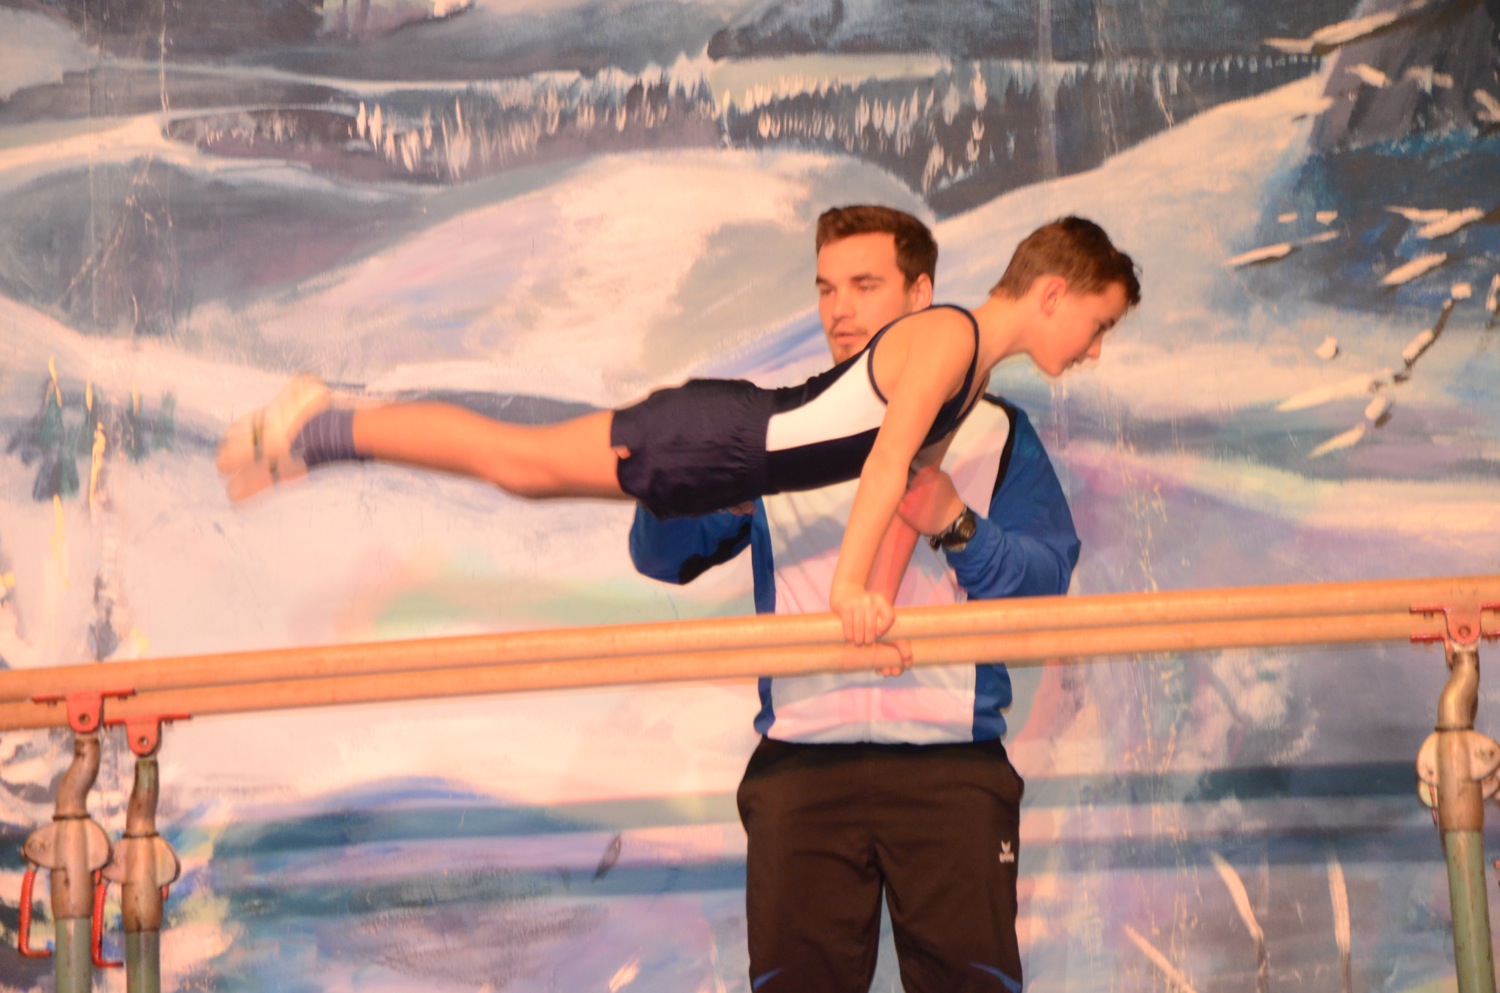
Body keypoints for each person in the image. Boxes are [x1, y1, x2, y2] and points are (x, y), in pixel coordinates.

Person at [217, 215, 1137, 644]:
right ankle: (325, 424)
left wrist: (873, 621)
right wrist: (847, 588)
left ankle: (320, 433)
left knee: (521, 465)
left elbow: (904, 495)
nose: (1094, 348)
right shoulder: (947, 336)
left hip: (731, 446)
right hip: (719, 438)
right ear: (1055, 293)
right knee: (518, 463)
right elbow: (886, 463)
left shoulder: (971, 372)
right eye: (1097, 324)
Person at [629, 206, 1125, 992]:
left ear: (922, 295)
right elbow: (658, 556)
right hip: (802, 770)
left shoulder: (998, 431)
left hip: (950, 769)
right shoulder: (784, 431)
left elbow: (1043, 587)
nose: (840, 309)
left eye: (864, 285)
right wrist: (711, 492)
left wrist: (958, 523)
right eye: (827, 288)